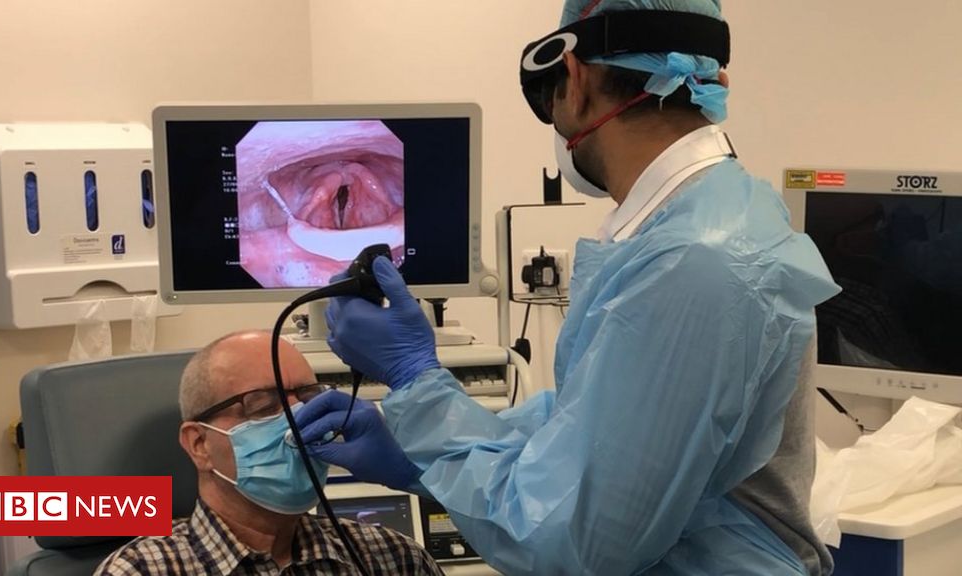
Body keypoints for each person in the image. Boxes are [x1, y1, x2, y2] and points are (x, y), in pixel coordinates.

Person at [297, 1, 841, 574]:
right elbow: (582, 435)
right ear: (713, 83)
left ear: (574, 80)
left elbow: (573, 541)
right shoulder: (710, 218)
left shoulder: (691, 262)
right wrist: (418, 455)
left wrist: (416, 382)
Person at [95, 330, 442, 575]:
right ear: (199, 445)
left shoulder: (394, 559)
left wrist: (420, 476)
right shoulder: (142, 570)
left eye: (309, 399)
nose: (298, 421)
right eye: (262, 405)